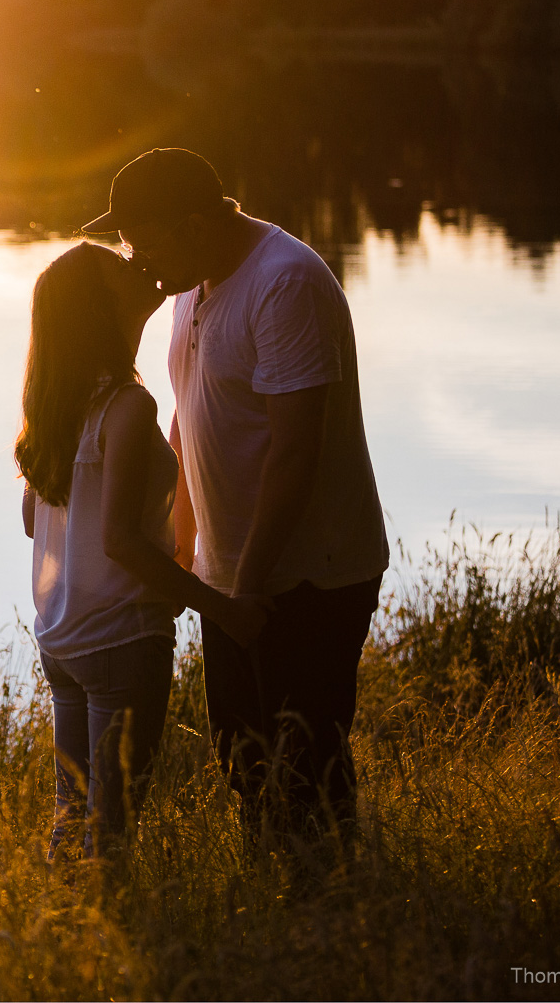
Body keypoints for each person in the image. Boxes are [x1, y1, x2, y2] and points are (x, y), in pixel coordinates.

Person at [84, 148, 388, 848]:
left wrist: (247, 589)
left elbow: (294, 451)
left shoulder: (285, 285)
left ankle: (334, 904)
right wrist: (182, 548)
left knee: (304, 763)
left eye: (142, 239)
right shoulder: (191, 283)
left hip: (308, 576)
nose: (134, 259)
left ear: (193, 225)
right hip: (232, 580)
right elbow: (192, 417)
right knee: (244, 759)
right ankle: (279, 900)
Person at [17, 241, 269, 859]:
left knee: (72, 811)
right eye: (118, 266)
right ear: (101, 309)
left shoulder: (59, 407)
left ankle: (63, 930)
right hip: (121, 642)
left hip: (62, 639)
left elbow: (33, 519)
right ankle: (108, 937)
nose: (138, 263)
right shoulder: (128, 407)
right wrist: (223, 608)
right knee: (112, 824)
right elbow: (121, 542)